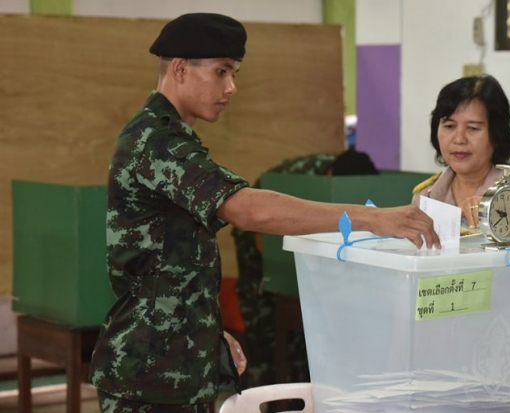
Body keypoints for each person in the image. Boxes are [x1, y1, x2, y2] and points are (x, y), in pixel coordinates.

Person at [88, 12, 441, 412]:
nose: (231, 86)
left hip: (175, 358)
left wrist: (205, 330)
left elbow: (172, 266)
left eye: (233, 72)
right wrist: (373, 218)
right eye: (221, 72)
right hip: (149, 371)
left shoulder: (172, 137)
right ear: (181, 69)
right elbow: (248, 209)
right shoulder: (157, 141)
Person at [232, 149, 379, 389]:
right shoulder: (298, 180)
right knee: (264, 329)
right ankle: (263, 394)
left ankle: (299, 391)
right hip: (258, 246)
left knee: (302, 343)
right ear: (330, 176)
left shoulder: (353, 172)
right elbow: (262, 235)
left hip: (300, 258)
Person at [411, 74, 510, 240]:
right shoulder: (426, 195)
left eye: (472, 128)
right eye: (449, 126)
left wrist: (507, 217)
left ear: (497, 134)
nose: (459, 139)